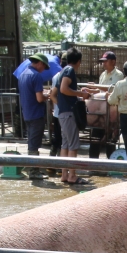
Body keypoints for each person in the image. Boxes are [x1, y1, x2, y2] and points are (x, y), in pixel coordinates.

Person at [53, 48, 94, 186]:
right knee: (73, 145)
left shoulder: (61, 72)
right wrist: (82, 95)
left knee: (65, 144)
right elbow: (64, 89)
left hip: (63, 113)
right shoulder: (69, 71)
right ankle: (72, 175)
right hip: (69, 113)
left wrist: (76, 94)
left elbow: (57, 92)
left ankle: (65, 174)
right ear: (78, 62)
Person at [18, 53, 51, 180]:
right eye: (44, 66)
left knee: (31, 141)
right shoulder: (36, 76)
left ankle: (31, 168)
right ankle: (34, 171)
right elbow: (39, 98)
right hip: (36, 113)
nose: (44, 70)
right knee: (34, 143)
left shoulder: (23, 75)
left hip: (27, 112)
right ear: (40, 63)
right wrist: (47, 95)